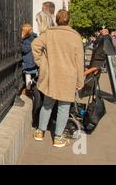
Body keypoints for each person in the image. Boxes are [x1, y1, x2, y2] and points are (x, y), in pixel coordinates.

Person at [31, 10, 84, 148]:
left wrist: (41, 63)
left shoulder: (49, 33)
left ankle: (40, 132)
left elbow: (35, 45)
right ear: (69, 20)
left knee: (47, 104)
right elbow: (80, 62)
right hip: (68, 77)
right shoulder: (76, 37)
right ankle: (58, 138)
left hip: (52, 75)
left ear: (57, 19)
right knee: (64, 108)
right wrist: (80, 81)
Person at [21, 24, 38, 91]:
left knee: (28, 76)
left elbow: (24, 50)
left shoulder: (26, 41)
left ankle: (28, 89)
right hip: (35, 61)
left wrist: (22, 41)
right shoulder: (34, 38)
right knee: (35, 74)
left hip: (28, 63)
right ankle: (33, 84)